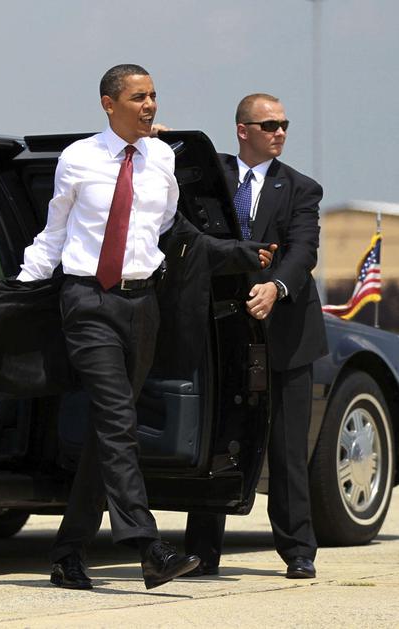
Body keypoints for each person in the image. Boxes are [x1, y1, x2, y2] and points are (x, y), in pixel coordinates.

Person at [14, 67, 275, 591]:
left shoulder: (161, 158)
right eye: (138, 97)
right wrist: (19, 291)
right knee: (116, 418)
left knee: (107, 432)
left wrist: (238, 254)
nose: (150, 104)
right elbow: (54, 233)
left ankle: (67, 554)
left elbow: (174, 233)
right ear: (109, 104)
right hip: (88, 301)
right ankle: (147, 544)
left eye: (153, 95)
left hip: (142, 306)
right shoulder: (79, 158)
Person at [184, 93, 328, 579]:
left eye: (284, 124)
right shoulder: (215, 175)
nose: (280, 132)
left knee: (287, 448)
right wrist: (157, 142)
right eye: (269, 125)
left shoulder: (302, 188)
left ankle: (298, 550)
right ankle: (202, 551)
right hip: (223, 334)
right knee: (218, 440)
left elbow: (304, 250)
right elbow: (174, 171)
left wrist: (276, 287)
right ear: (242, 130)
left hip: (287, 332)